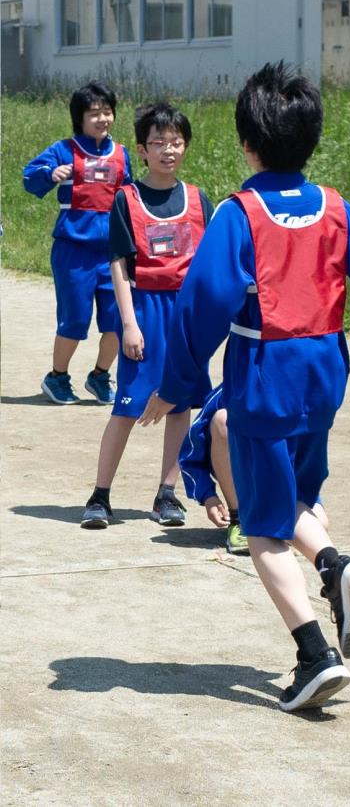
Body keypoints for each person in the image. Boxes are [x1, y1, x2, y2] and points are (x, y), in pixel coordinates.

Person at [140, 62, 350, 712]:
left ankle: (314, 653)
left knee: (261, 527)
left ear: (247, 142)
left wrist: (178, 381)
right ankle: (335, 568)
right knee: (296, 495)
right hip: (323, 374)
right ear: (311, 138)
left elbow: (203, 300)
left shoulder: (240, 213)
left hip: (264, 375)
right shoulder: (336, 206)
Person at [81, 103, 213, 529]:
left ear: (185, 147)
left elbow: (211, 265)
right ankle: (100, 495)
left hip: (186, 313)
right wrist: (129, 324)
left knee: (180, 407)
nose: (167, 150)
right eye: (158, 142)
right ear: (141, 149)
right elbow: (118, 263)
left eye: (175, 142)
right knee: (127, 406)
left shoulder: (197, 198)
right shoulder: (126, 198)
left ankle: (167, 494)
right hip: (145, 309)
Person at [22, 81, 132, 405]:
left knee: (118, 319)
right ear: (79, 119)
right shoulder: (64, 150)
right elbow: (30, 177)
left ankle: (100, 376)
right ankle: (57, 377)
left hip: (112, 253)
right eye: (94, 113)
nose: (102, 119)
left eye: (107, 112)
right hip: (73, 251)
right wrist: (51, 174)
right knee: (75, 319)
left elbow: (131, 197)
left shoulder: (121, 154)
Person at [180, 383, 330, 556]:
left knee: (320, 526)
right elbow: (191, 448)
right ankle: (239, 519)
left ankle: (278, 514)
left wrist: (305, 496)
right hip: (243, 471)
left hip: (281, 475)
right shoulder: (235, 386)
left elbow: (310, 460)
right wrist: (207, 496)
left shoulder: (301, 391)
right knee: (222, 419)